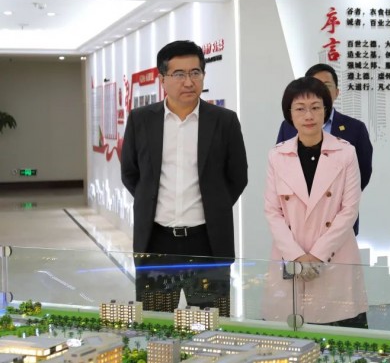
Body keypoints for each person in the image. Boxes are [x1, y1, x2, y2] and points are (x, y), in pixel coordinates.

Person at [121, 40, 248, 315]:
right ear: (162, 79)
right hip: (156, 243)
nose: (189, 82)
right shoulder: (141, 120)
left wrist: (214, 206)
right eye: (179, 74)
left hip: (207, 243)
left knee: (208, 326)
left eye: (195, 73)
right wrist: (151, 202)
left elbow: (237, 176)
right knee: (156, 325)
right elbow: (130, 173)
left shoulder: (224, 121)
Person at [262, 76, 368, 328]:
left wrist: (317, 255)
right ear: (290, 114)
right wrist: (296, 255)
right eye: (300, 108)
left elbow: (349, 210)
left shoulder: (346, 152)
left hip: (334, 254)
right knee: (290, 332)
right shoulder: (277, 155)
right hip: (291, 254)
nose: (308, 115)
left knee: (341, 333)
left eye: (315, 107)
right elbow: (272, 211)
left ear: (326, 110)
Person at [277, 64, 373, 235]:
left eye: (326, 86)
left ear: (337, 92)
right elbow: (283, 170)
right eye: (315, 86)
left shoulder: (355, 128)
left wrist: (338, 201)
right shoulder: (288, 126)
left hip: (338, 218)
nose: (320, 91)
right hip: (297, 219)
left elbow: (363, 172)